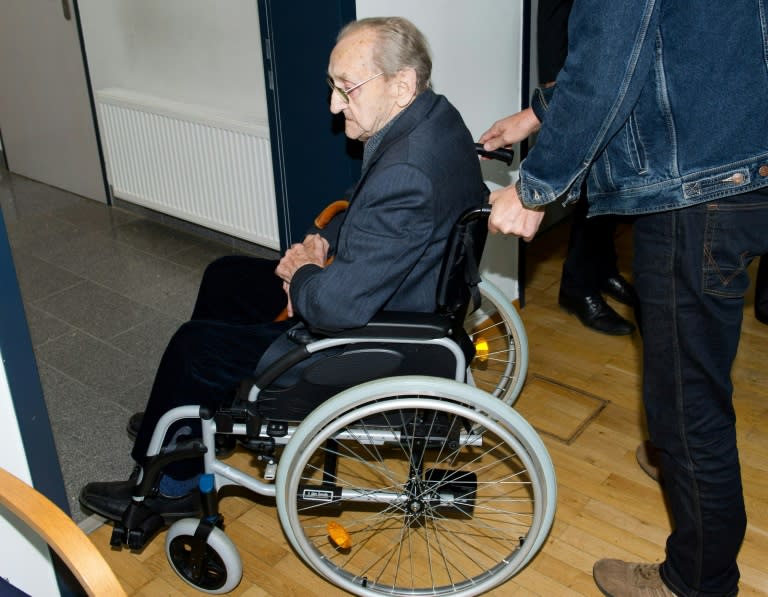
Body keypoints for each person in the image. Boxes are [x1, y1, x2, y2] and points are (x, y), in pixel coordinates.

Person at [80, 16, 486, 525]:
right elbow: (385, 219)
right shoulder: (436, 120)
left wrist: (303, 275)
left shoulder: (406, 169)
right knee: (226, 274)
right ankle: (193, 424)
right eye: (332, 85)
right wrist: (328, 245)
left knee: (195, 346)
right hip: (400, 297)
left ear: (401, 84)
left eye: (347, 89)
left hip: (372, 342)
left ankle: (167, 487)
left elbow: (337, 305)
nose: (334, 106)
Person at [486, 2, 768, 596]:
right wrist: (537, 113)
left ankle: (696, 581)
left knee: (689, 405)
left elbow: (611, 61)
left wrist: (536, 188)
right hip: (744, 163)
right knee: (695, 365)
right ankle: (675, 457)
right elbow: (682, 39)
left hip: (691, 189)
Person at [480, 0, 637, 336]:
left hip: (610, 80)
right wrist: (554, 95)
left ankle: (602, 268)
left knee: (612, 180)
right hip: (582, 73)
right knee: (593, 181)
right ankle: (578, 287)